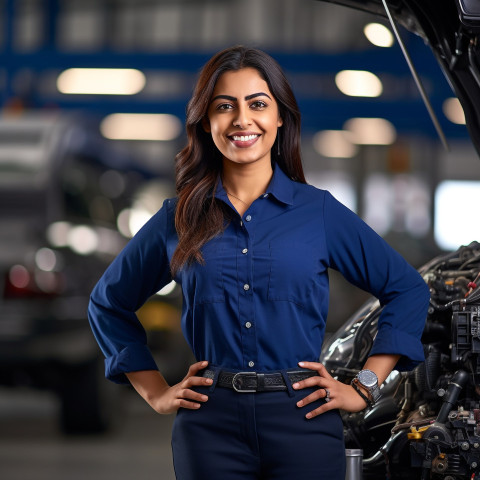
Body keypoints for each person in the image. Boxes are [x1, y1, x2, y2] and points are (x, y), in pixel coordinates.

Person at [88, 45, 430, 480]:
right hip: (209, 427)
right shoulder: (177, 219)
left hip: (303, 420)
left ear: (280, 117)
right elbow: (107, 303)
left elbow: (408, 288)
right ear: (206, 121)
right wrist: (155, 391)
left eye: (258, 104)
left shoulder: (318, 213)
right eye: (224, 106)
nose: (241, 120)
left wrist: (363, 387)